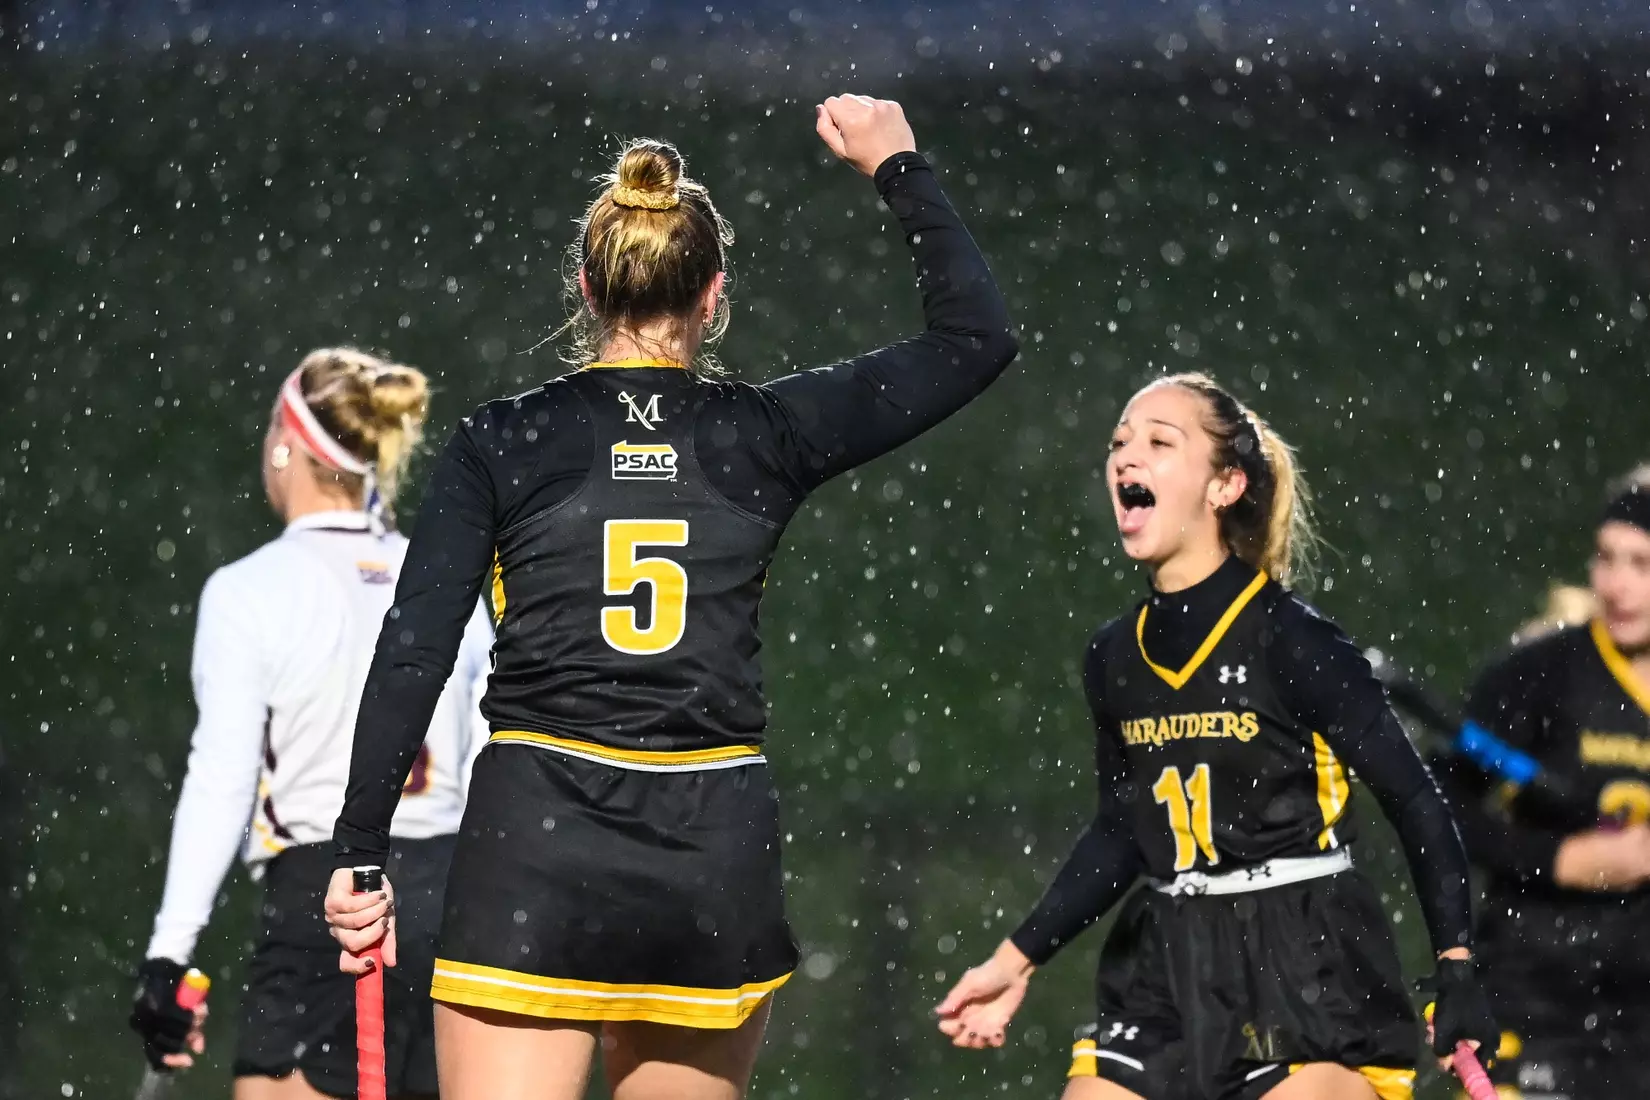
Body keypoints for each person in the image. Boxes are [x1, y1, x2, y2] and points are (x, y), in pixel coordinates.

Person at [323, 95, 1017, 1100]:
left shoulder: (502, 438)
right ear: (714, 293)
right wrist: (897, 165)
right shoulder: (766, 433)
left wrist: (359, 849)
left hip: (538, 838)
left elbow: (415, 646)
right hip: (709, 841)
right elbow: (975, 337)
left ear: (587, 285)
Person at [935, 372, 1497, 1100]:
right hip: (1168, 953)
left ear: (1224, 486)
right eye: (1119, 443)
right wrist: (1017, 958)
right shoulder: (1113, 656)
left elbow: (1417, 803)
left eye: (1160, 442)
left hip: (1305, 960)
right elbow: (1123, 831)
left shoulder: (1296, 641)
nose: (1127, 457)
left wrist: (1456, 967)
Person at [129, 349, 493, 1099]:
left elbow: (222, 779)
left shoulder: (249, 590)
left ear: (287, 442)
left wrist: (169, 955)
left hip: (328, 904)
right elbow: (498, 754)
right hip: (457, 906)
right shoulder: (443, 577)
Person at [1433, 468, 1650, 1099]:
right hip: (1532, 1000)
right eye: (1606, 557)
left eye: (1640, 563)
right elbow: (1441, 805)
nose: (1614, 584)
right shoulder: (1539, 675)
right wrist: (1561, 859)